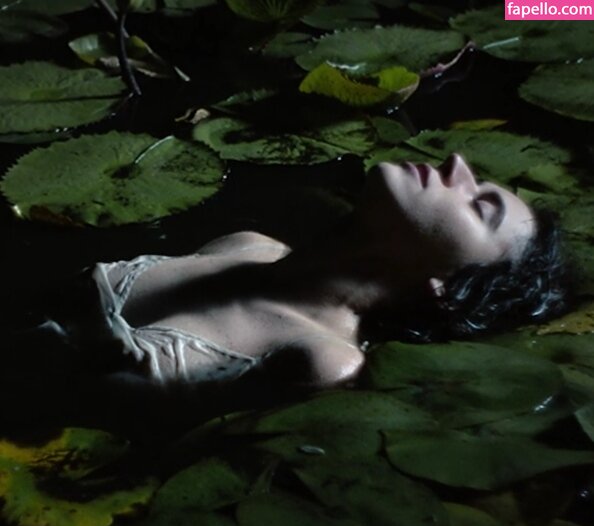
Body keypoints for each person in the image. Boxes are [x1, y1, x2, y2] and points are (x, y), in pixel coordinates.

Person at [8, 154, 570, 392]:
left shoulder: (322, 359)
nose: (458, 165)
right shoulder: (246, 245)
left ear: (445, 290)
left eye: (479, 206)